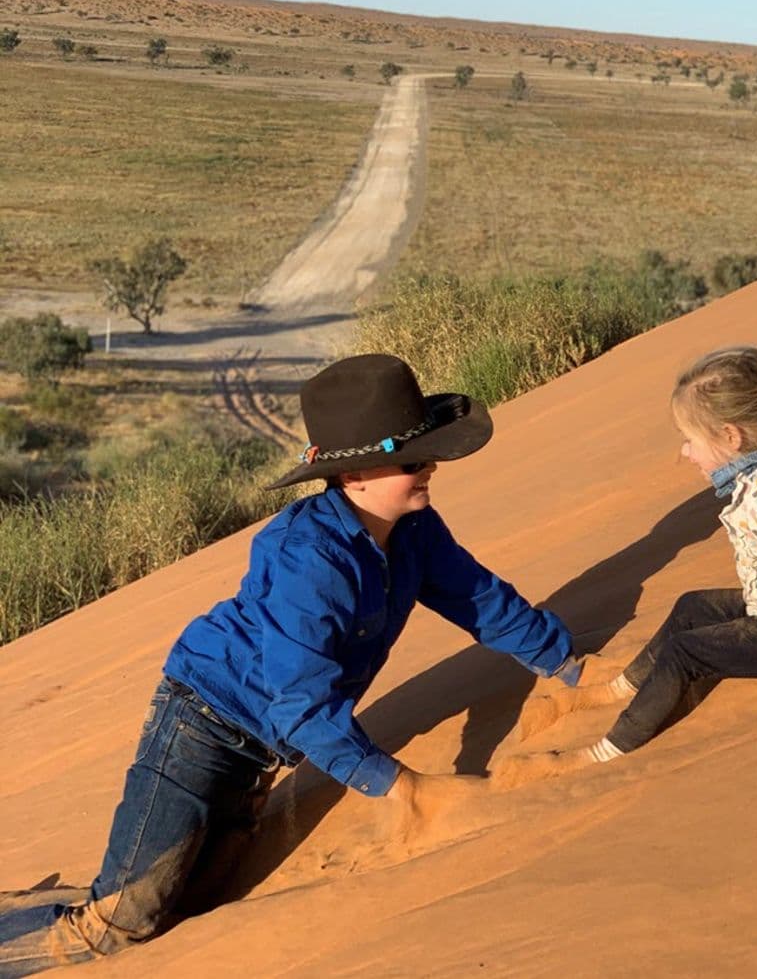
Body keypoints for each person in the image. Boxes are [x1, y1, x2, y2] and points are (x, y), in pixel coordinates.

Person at [1, 354, 582, 974]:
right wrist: (399, 787)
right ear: (354, 475)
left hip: (262, 748)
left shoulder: (414, 530)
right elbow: (301, 705)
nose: (431, 467)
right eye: (414, 461)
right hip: (200, 728)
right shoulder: (308, 557)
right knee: (120, 926)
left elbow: (480, 600)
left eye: (429, 454)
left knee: (193, 903)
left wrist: (569, 666)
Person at [505, 345, 757, 777]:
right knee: (692, 607)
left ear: (730, 437)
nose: (686, 453)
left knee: (684, 653)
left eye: (691, 440)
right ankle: (617, 689)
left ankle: (603, 753)